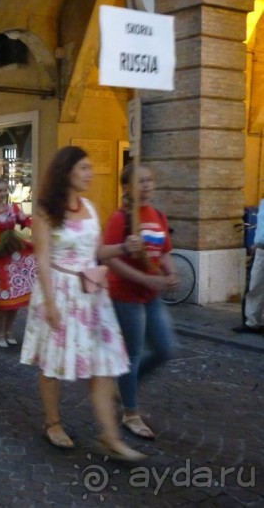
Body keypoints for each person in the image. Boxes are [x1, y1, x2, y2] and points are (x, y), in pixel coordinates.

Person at [19, 146, 146, 461]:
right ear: (67, 171)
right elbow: (42, 260)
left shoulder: (90, 207)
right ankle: (52, 422)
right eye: (84, 168)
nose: (91, 173)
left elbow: (97, 252)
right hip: (60, 292)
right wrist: (50, 303)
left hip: (92, 296)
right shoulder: (46, 211)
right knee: (53, 362)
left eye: (90, 167)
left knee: (103, 365)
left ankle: (110, 436)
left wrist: (124, 247)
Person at [104, 163, 178, 440]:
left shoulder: (157, 215)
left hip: (151, 294)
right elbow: (108, 258)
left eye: (149, 180)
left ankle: (124, 387)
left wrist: (171, 272)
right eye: (140, 181)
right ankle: (130, 413)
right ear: (127, 187)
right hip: (126, 295)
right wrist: (145, 278)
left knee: (164, 349)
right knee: (132, 354)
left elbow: (165, 250)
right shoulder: (120, 218)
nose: (146, 186)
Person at [0, 176, 37, 347]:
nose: (2, 194)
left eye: (4, 190)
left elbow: (25, 220)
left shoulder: (12, 209)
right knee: (3, 298)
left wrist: (36, 226)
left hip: (14, 257)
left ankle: (9, 330)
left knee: (15, 296)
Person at [238, 194, 264, 333]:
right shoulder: (263, 202)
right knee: (255, 287)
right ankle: (252, 323)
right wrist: (256, 243)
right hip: (261, 250)